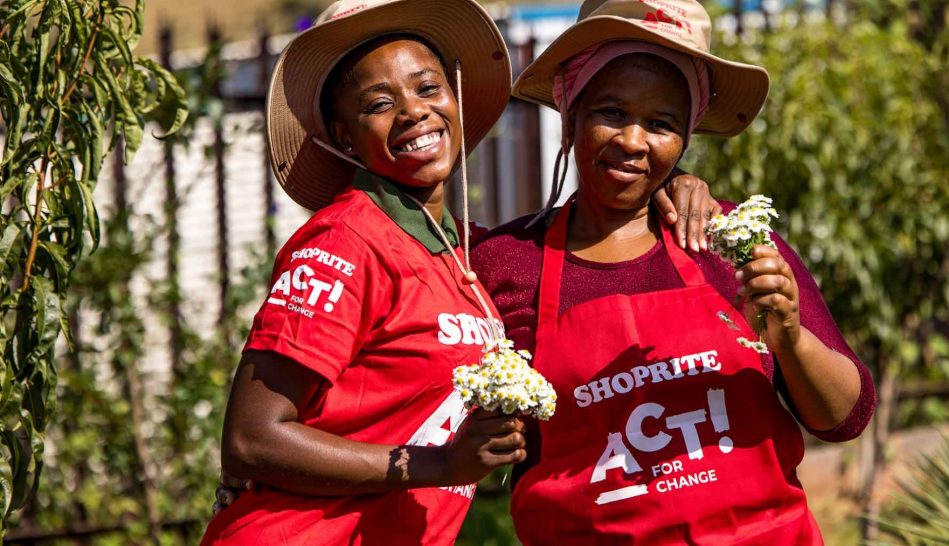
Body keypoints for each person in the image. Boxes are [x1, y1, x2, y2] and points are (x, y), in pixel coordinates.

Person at [201, 0, 722, 543]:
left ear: (455, 96)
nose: (413, 112)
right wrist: (439, 465)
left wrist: (670, 179)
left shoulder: (464, 253)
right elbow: (252, 439)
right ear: (344, 135)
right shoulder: (346, 240)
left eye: (427, 89)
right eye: (379, 103)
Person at [472, 0, 877, 544]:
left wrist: (790, 340)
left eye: (660, 124)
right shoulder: (506, 261)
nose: (634, 141)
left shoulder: (729, 239)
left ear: (685, 139)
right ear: (570, 117)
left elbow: (846, 418)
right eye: (612, 112)